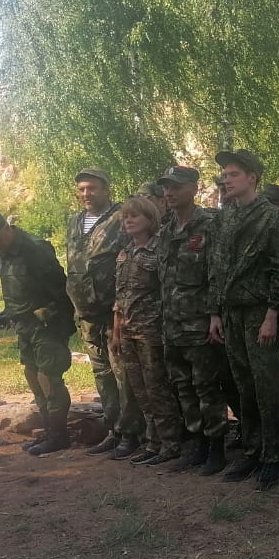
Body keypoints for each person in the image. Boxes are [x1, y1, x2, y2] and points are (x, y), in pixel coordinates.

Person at [209, 149, 279, 491]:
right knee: (243, 383)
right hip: (231, 312)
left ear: (252, 178)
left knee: (266, 384)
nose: (226, 180)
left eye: (233, 174)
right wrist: (215, 312)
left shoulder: (270, 217)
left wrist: (272, 314)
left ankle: (274, 455)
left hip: (258, 311)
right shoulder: (225, 215)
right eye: (225, 175)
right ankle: (253, 449)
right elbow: (216, 265)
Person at [0, 209, 77, 455]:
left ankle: (59, 435)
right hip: (24, 325)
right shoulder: (4, 252)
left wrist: (57, 319)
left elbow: (60, 287)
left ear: (6, 228)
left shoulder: (35, 249)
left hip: (46, 324)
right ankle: (49, 430)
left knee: (48, 378)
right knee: (32, 375)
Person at [66, 167, 144, 460]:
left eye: (92, 188)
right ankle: (114, 430)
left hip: (114, 312)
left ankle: (132, 433)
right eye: (82, 189)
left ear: (106, 189)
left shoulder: (119, 219)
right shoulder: (75, 222)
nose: (86, 194)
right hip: (86, 313)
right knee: (102, 373)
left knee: (122, 374)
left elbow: (130, 262)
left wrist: (122, 310)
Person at [156, 165, 229, 474]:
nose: (169, 192)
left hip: (200, 322)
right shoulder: (165, 229)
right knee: (183, 387)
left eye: (176, 186)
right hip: (172, 324)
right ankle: (197, 445)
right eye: (166, 187)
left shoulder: (210, 224)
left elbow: (217, 273)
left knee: (206, 386)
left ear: (194, 189)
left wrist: (214, 314)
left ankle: (217, 449)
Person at [111, 194, 183, 467]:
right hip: (129, 333)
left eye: (134, 216)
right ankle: (153, 442)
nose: (128, 220)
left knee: (158, 390)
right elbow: (120, 298)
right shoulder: (124, 254)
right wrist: (116, 333)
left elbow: (169, 292)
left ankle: (170, 443)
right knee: (140, 391)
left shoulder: (159, 251)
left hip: (152, 332)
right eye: (125, 216)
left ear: (150, 219)